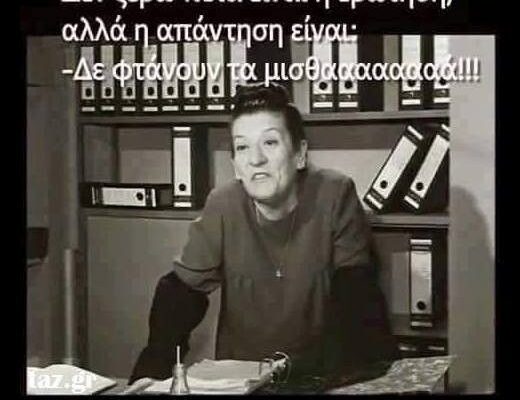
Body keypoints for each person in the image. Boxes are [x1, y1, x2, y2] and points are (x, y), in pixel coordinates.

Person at [129, 83, 399, 391]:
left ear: (299, 154)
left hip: (321, 378)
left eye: (270, 142)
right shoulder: (223, 204)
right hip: (242, 384)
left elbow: (358, 300)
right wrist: (152, 372)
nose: (255, 159)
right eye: (242, 147)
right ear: (236, 166)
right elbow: (179, 297)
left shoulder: (335, 194)